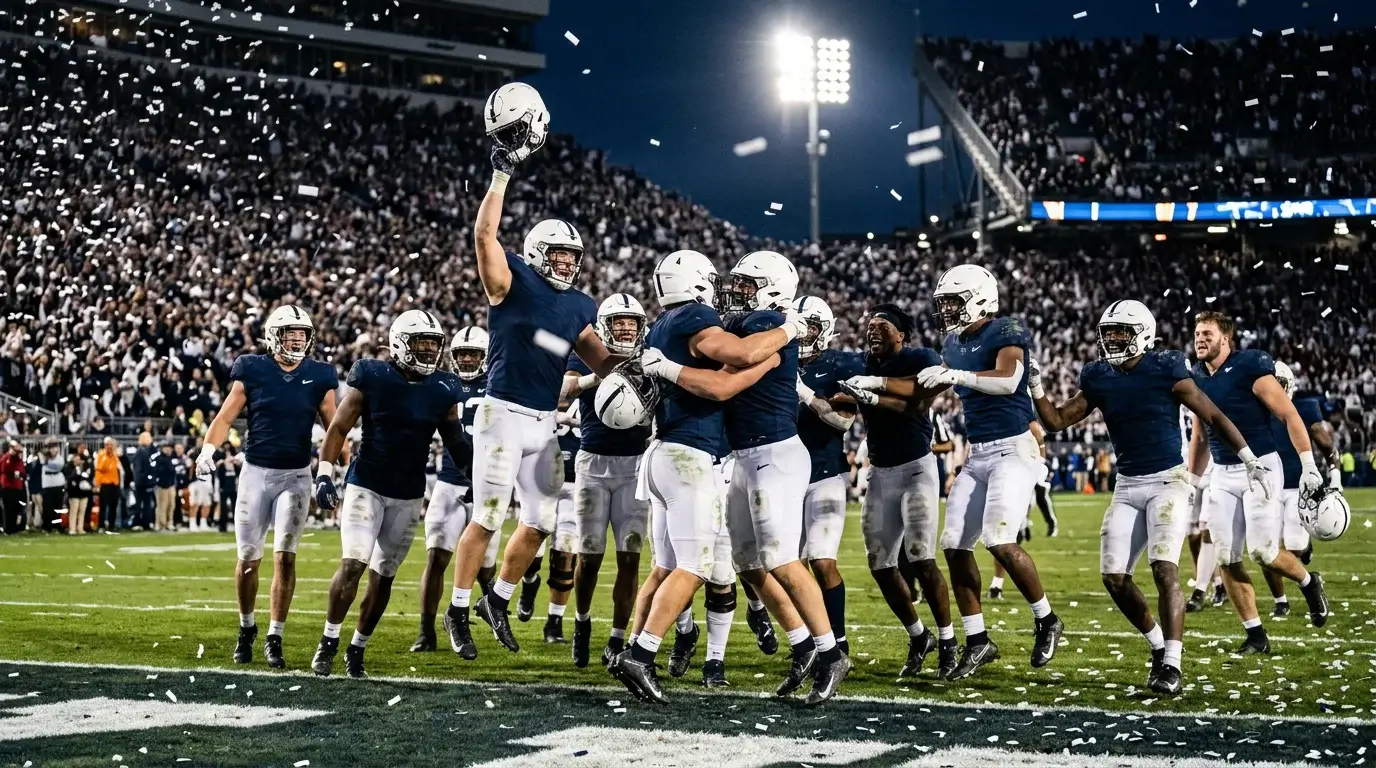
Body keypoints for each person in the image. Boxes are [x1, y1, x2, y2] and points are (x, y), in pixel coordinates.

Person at [442, 89, 621, 661]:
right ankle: (458, 609)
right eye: (562, 254)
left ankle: (499, 595)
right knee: (489, 516)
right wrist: (500, 175)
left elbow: (600, 360)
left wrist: (648, 364)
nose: (569, 261)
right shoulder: (512, 281)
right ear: (540, 252)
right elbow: (483, 237)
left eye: (575, 255)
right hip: (502, 414)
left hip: (545, 421)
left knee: (542, 522)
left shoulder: (579, 304)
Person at [1030, 300, 1266, 696]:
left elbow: (1214, 416)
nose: (1112, 340)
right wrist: (1036, 385)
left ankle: (1172, 663)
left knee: (1164, 569)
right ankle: (1158, 646)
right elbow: (1055, 421)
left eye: (1121, 332)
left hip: (1167, 482)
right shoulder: (1100, 376)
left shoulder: (1166, 368)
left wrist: (1248, 458)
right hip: (1127, 484)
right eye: (1109, 333)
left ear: (1141, 333)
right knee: (1114, 578)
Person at [613, 249, 794, 703]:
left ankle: (628, 653)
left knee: (665, 568)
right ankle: (642, 654)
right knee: (694, 568)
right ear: (696, 284)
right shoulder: (692, 316)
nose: (720, 292)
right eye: (712, 282)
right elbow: (739, 356)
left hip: (662, 454)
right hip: (689, 456)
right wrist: (790, 329)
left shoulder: (660, 324)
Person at [866, 264, 1062, 680]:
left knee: (999, 539)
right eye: (945, 304)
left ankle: (1046, 619)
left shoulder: (1005, 330)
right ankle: (977, 641)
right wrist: (877, 386)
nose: (949, 311)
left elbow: (1009, 380)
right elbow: (924, 390)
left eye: (954, 302)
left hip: (1014, 448)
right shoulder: (952, 342)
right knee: (954, 546)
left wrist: (959, 374)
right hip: (979, 454)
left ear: (979, 298)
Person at [311, 310, 473, 678]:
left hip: (409, 493)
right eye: (423, 343)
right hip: (366, 484)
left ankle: (357, 648)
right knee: (353, 562)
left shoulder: (444, 388)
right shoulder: (372, 376)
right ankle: (329, 641)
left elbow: (457, 443)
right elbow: (337, 429)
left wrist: (477, 479)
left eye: (434, 344)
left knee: (383, 575)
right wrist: (323, 475)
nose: (430, 351)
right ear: (401, 344)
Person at [198, 304, 338, 668]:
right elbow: (225, 416)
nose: (297, 340)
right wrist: (208, 450)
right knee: (248, 559)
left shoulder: (320, 375)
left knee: (285, 557)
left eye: (302, 334)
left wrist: (329, 470)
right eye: (290, 334)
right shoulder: (253, 368)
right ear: (273, 335)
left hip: (296, 475)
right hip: (256, 474)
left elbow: (334, 430)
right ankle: (247, 627)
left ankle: (274, 635)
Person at [1189, 312, 1329, 654]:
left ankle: (1310, 583)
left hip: (1262, 467)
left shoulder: (1250, 365)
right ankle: (1256, 634)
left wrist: (1309, 463)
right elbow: (1200, 434)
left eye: (1207, 333)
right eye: (1196, 334)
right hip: (1222, 472)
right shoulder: (1194, 375)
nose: (1200, 339)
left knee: (1264, 552)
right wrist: (1192, 481)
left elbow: (1288, 414)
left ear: (1226, 338)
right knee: (1226, 555)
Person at [837, 302, 958, 679]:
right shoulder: (860, 363)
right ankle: (919, 636)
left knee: (922, 557)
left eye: (882, 325)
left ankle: (950, 642)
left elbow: (919, 404)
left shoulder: (919, 357)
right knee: (881, 564)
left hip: (916, 468)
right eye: (869, 324)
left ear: (902, 334)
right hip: (880, 471)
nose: (873, 329)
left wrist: (874, 393)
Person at [562, 294, 652, 669]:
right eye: (620, 323)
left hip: (634, 466)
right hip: (593, 464)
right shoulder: (586, 352)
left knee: (630, 557)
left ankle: (617, 638)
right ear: (604, 326)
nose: (627, 328)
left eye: (632, 322)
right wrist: (600, 374)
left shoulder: (650, 357)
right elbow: (564, 391)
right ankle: (582, 623)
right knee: (590, 556)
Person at [412, 327, 488, 653]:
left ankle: (496, 616)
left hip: (487, 485)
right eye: (462, 354)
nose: (468, 359)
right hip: (449, 481)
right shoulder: (443, 383)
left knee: (486, 565)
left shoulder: (498, 385)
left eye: (474, 354)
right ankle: (426, 631)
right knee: (436, 556)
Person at [95, 438, 123, 531]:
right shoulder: (101, 454)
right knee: (103, 507)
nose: (110, 447)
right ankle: (101, 526)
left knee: (113, 506)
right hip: (105, 484)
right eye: (108, 444)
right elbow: (101, 468)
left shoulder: (115, 456)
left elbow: (118, 469)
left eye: (111, 444)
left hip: (114, 484)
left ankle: (112, 525)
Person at [1, 441, 28, 534]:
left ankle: (14, 528)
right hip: (8, 487)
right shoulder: (6, 458)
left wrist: (19, 474)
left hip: (17, 487)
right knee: (9, 509)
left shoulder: (18, 459)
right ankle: (8, 529)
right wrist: (15, 474)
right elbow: (4, 469)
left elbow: (23, 473)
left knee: (16, 508)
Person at [66, 452, 94, 535]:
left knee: (82, 511)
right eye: (76, 458)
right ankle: (72, 528)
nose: (78, 460)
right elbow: (70, 478)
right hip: (74, 493)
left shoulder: (84, 467)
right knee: (74, 511)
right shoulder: (69, 467)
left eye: (79, 459)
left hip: (84, 492)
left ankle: (80, 528)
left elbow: (89, 476)